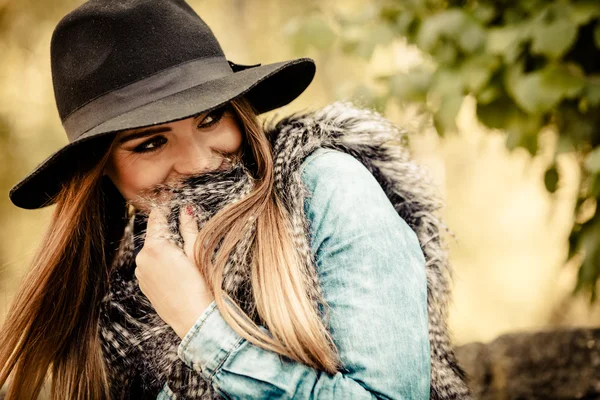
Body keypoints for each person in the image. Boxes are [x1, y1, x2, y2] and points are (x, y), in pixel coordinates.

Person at [0, 0, 470, 399]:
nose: (200, 161)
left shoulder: (325, 188)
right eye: (149, 143)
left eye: (210, 120)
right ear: (100, 169)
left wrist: (200, 325)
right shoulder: (114, 289)